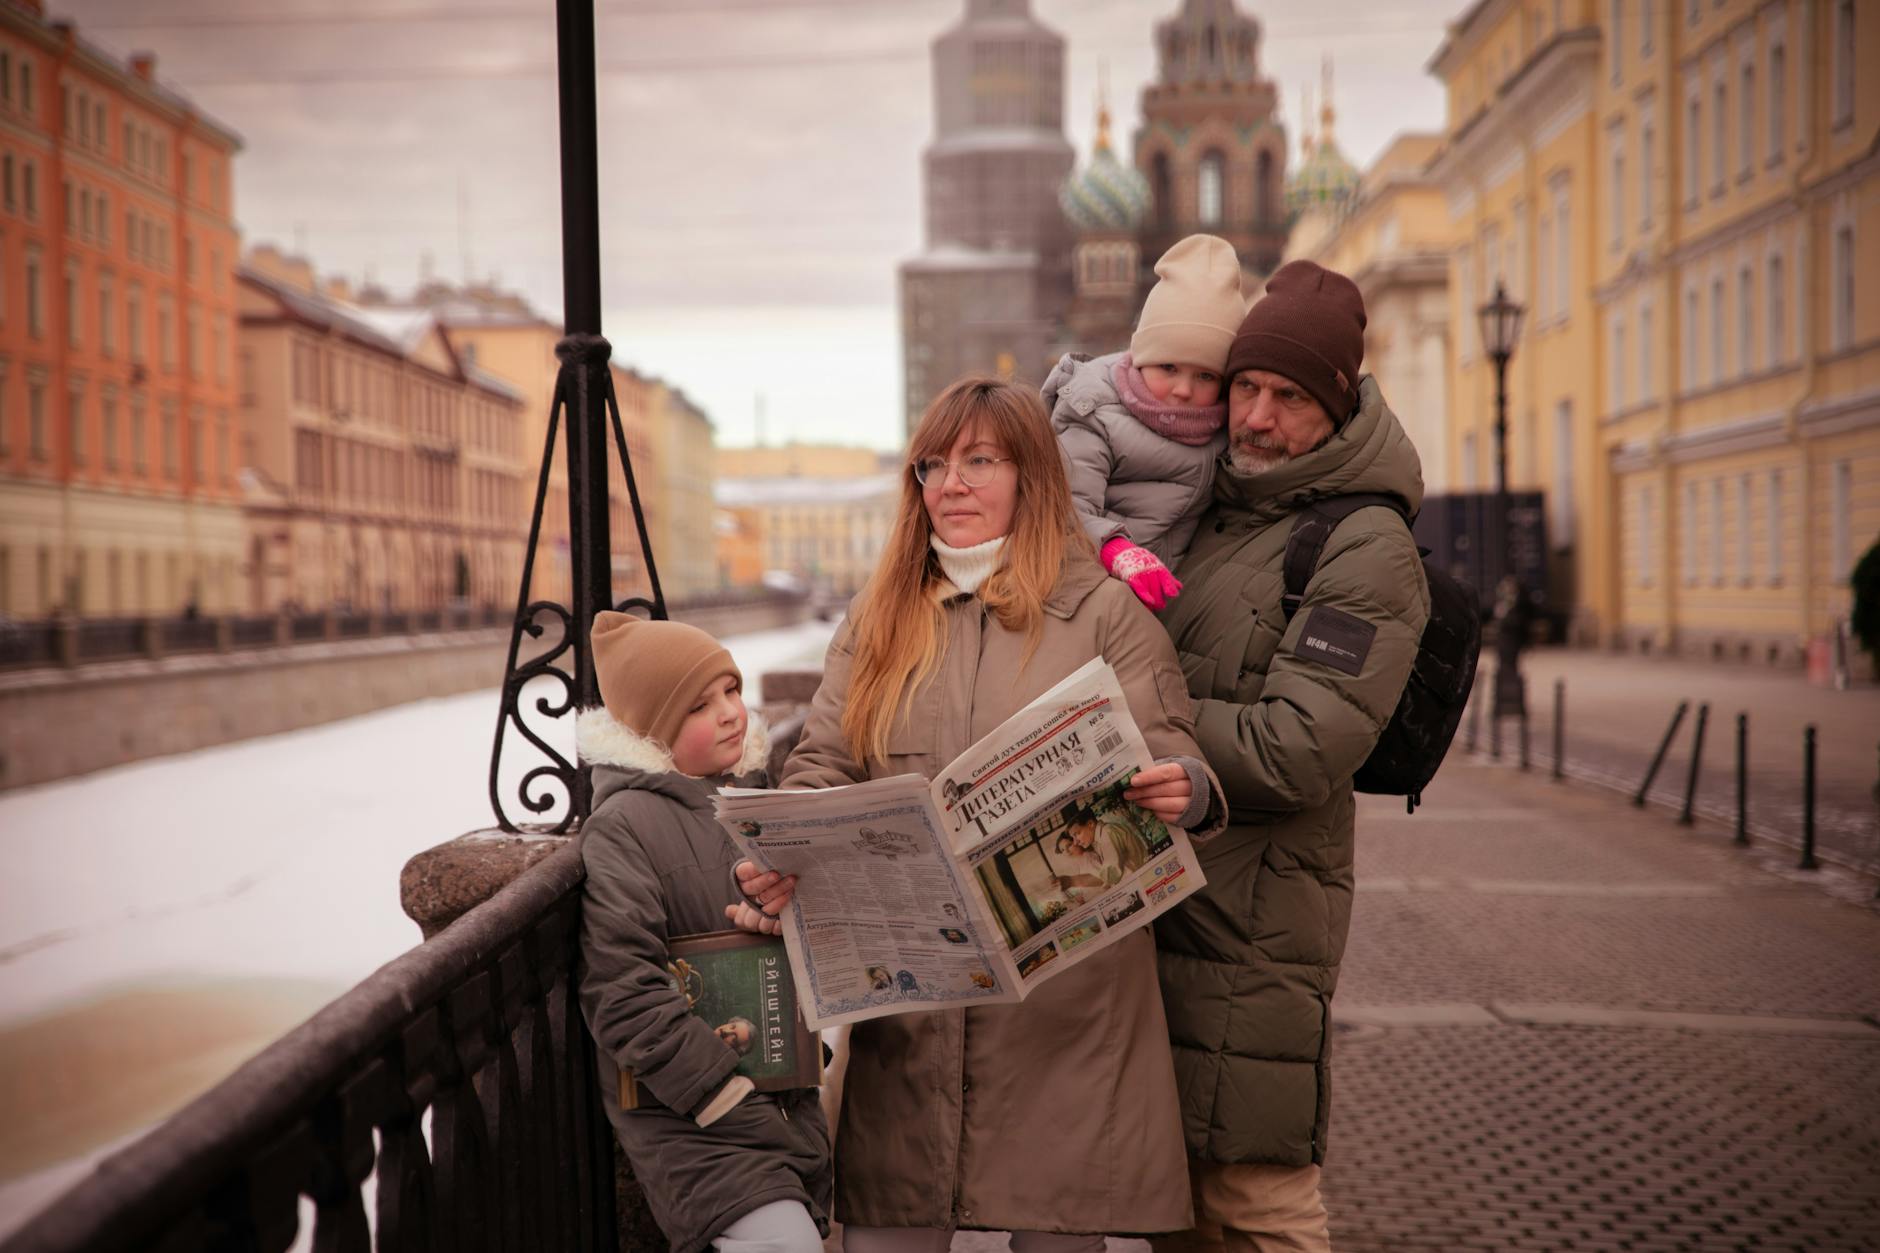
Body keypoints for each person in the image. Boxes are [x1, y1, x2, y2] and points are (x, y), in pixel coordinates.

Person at [734, 376, 1226, 1251]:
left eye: (979, 461)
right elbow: (822, 761)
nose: (949, 484)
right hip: (911, 1019)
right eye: (932, 465)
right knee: (887, 1229)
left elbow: (1174, 751)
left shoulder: (1106, 611)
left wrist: (1184, 785)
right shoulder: (878, 617)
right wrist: (789, 837)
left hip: (1068, 1013)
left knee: (1060, 1230)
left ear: (1031, 476)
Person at [1151, 260, 1432, 1253]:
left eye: (1288, 397)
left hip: (1253, 927)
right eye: (1245, 387)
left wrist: (1129, 737)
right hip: (1161, 900)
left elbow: (1298, 743)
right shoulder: (1213, 511)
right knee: (1173, 1208)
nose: (1255, 418)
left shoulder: (1361, 543)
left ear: (1337, 406)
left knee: (1255, 1201)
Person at [575, 612, 830, 1253]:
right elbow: (621, 989)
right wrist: (718, 1094)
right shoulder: (624, 825)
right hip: (697, 1118)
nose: (729, 713)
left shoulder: (747, 792)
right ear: (653, 730)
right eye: (699, 704)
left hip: (775, 1104)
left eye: (731, 690)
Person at [1042, 233, 1250, 611]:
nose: (1183, 390)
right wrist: (1115, 549)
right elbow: (1063, 506)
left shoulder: (1224, 430)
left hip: (1170, 602)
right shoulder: (1094, 410)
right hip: (1091, 591)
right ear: (1140, 357)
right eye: (1168, 367)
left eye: (1205, 376)